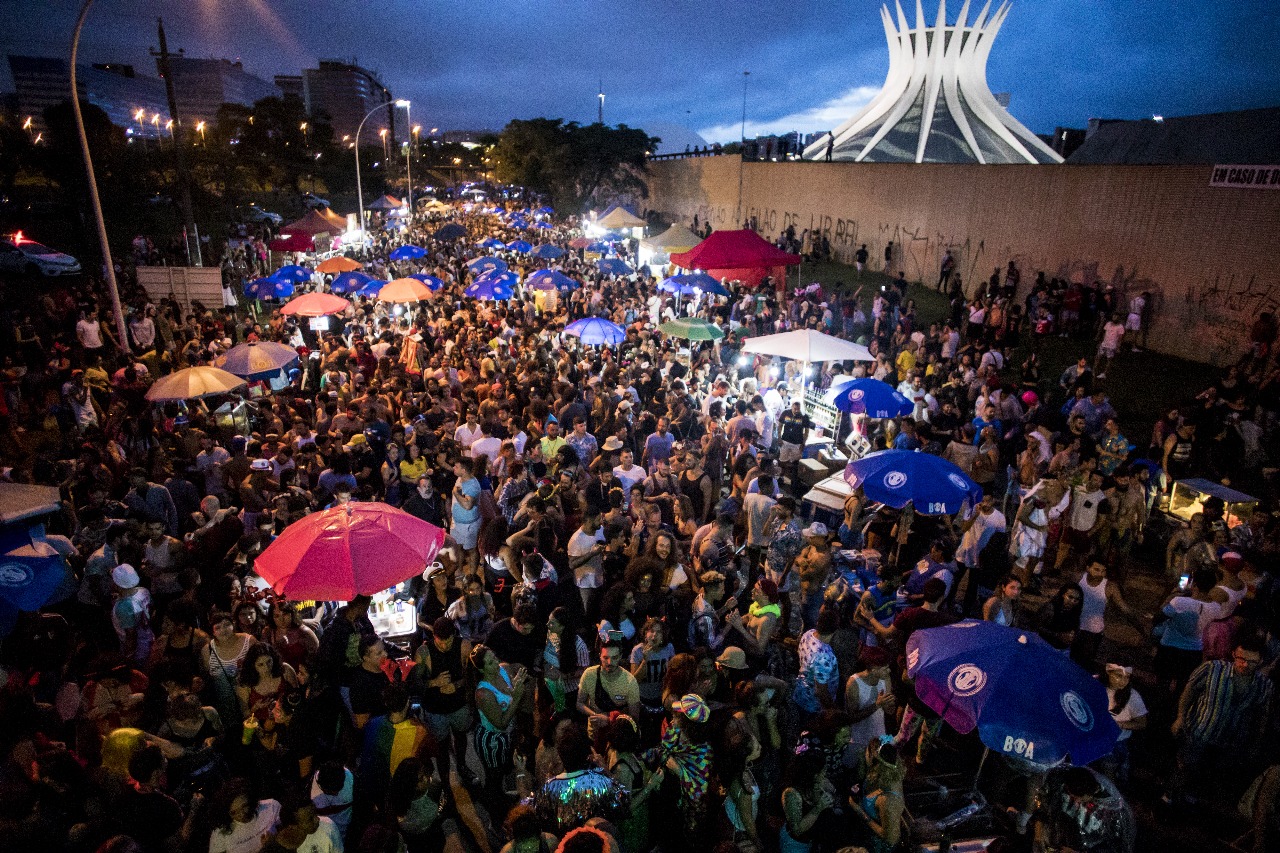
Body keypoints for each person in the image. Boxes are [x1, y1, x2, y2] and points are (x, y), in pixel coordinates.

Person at [1167, 635, 1275, 807]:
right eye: (1241, 658)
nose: (1245, 664)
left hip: (1230, 741)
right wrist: (1181, 717)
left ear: (1260, 660)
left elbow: (1261, 715)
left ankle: (1191, 799)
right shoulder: (1212, 669)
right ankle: (1170, 797)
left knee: (1210, 772)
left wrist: (1255, 741)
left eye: (1252, 661)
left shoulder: (1265, 686)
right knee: (1185, 766)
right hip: (1200, 732)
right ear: (1233, 654)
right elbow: (1190, 691)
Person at [472, 643, 532, 814]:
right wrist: (517, 697)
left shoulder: (503, 670)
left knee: (503, 770)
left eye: (494, 658)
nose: (496, 663)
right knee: (494, 776)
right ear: (482, 670)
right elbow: (501, 723)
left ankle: (501, 796)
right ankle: (494, 810)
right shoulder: (483, 693)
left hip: (507, 735)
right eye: (490, 663)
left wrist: (517, 685)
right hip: (492, 740)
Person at [1098, 663, 1147, 786]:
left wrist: (1118, 724)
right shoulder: (1097, 686)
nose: (1123, 681)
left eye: (1127, 677)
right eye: (1119, 675)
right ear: (1108, 673)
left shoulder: (1133, 697)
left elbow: (1142, 723)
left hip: (1115, 742)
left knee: (1108, 774)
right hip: (1093, 737)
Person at [577, 636, 641, 723]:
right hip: (594, 732)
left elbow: (634, 717)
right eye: (606, 658)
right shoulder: (589, 674)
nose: (610, 662)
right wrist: (596, 716)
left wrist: (608, 719)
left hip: (618, 732)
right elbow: (580, 703)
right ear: (600, 656)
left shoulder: (630, 681)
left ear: (620, 656)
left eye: (614, 658)